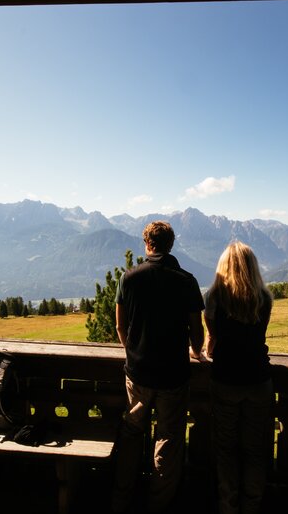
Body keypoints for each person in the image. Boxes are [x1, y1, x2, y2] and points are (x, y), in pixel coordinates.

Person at [112, 220, 205, 514]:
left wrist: (133, 352)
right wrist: (196, 351)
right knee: (167, 439)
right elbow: (196, 330)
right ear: (171, 244)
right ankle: (158, 505)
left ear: (147, 244)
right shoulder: (186, 280)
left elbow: (120, 324)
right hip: (173, 376)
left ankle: (121, 501)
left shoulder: (129, 278)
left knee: (130, 435)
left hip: (137, 375)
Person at [204, 241, 274, 514]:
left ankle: (227, 505)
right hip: (258, 379)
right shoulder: (264, 298)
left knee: (226, 449)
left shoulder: (214, 296)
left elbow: (212, 340)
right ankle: (252, 505)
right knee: (255, 450)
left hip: (225, 379)